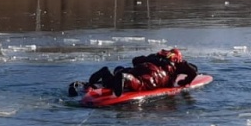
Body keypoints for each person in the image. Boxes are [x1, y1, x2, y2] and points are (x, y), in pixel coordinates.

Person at [69, 47, 198, 98]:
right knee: (141, 83)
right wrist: (185, 81)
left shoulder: (155, 55)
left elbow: (135, 60)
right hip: (156, 74)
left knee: (115, 80)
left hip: (143, 66)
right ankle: (125, 77)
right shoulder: (177, 62)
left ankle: (107, 73)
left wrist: (148, 60)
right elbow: (193, 71)